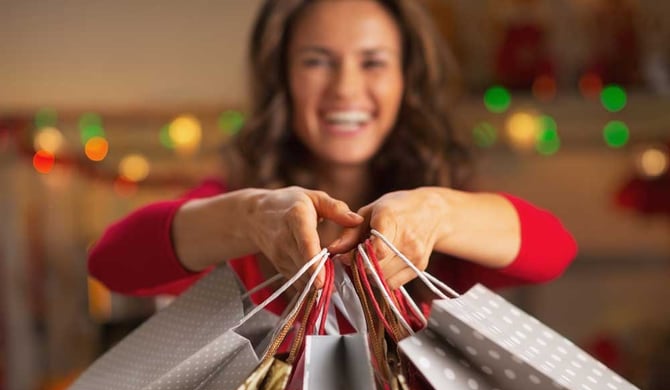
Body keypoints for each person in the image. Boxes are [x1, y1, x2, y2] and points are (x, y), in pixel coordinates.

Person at [88, 0, 577, 315]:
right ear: (283, 78)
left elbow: (554, 250)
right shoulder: (232, 202)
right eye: (316, 61)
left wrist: (439, 213)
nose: (345, 88)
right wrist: (250, 217)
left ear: (406, 80)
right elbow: (112, 262)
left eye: (373, 62)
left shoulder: (441, 213)